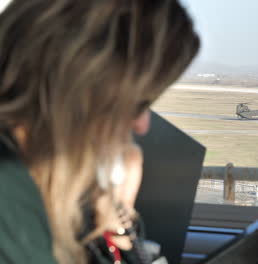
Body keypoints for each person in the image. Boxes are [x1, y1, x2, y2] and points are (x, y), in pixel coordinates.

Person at [0, 0, 199, 263]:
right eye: (138, 104)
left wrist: (115, 214)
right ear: (78, 89)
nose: (142, 125)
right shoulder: (11, 193)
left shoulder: (43, 184)